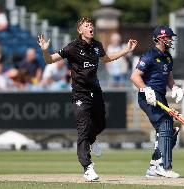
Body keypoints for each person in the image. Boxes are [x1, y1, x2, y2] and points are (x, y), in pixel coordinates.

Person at [38, 17, 137, 181]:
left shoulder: (97, 45)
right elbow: (49, 60)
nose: (90, 27)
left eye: (91, 25)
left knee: (101, 123)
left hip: (95, 91)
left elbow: (107, 59)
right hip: (80, 93)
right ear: (80, 30)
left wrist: (126, 50)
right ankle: (88, 167)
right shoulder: (72, 47)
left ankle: (93, 139)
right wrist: (44, 50)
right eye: (87, 25)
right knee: (83, 128)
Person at [130, 25, 184, 178]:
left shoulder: (168, 57)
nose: (171, 40)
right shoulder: (149, 55)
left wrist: (175, 88)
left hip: (160, 96)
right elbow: (134, 76)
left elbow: (169, 78)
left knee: (171, 130)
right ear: (160, 38)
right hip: (148, 96)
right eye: (168, 37)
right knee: (165, 126)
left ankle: (154, 166)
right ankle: (163, 167)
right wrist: (146, 89)